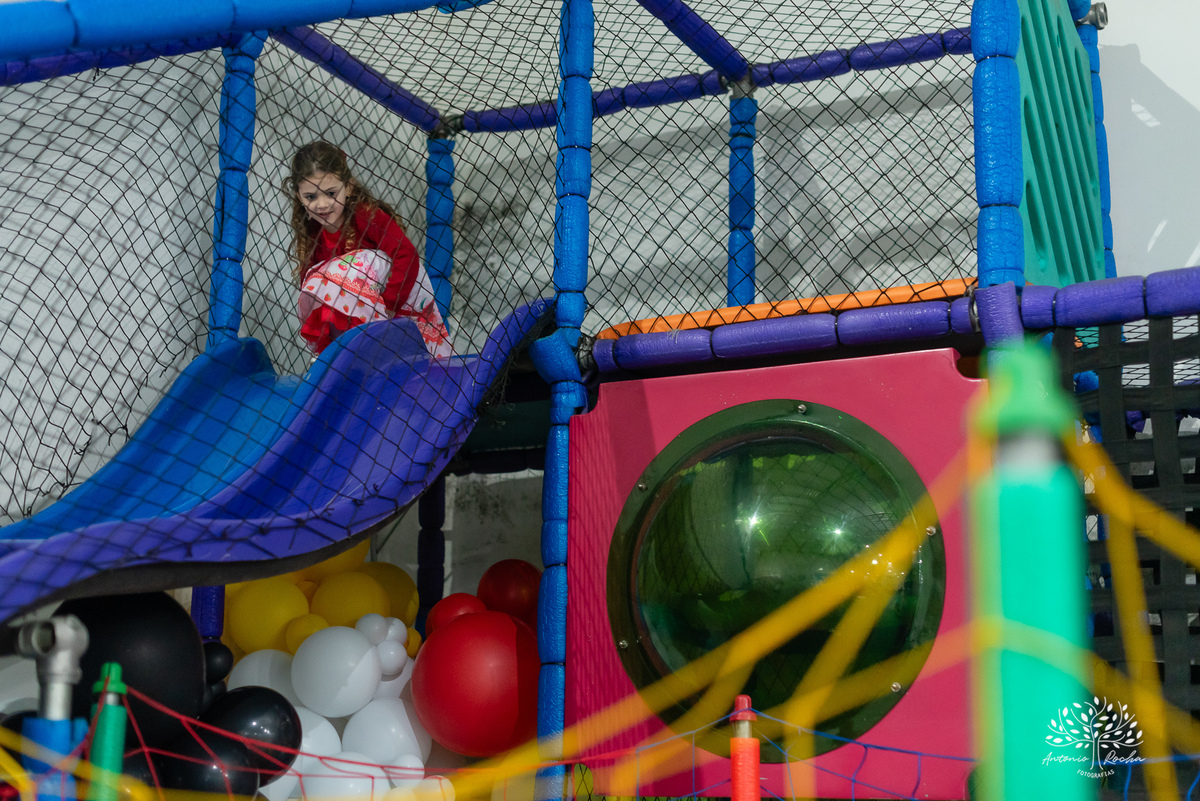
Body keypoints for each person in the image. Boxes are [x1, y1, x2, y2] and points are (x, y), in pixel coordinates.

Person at [285, 141, 452, 358]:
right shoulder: (312, 234)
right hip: (354, 331)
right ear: (299, 196)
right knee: (313, 280)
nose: (322, 204)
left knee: (344, 270)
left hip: (394, 310)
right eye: (311, 197)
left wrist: (390, 304)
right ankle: (340, 356)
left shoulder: (366, 216)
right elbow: (313, 293)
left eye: (331, 193)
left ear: (349, 188)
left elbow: (406, 254)